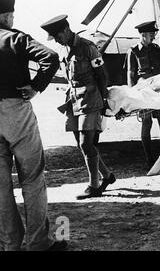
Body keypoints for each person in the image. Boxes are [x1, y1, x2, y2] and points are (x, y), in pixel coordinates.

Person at [0, 0, 67, 251]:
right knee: (32, 178)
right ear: (7, 16)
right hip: (16, 112)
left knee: (1, 185)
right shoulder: (15, 37)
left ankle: (9, 244)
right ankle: (38, 243)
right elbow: (50, 57)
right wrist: (36, 87)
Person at [41, 15, 115, 200]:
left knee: (86, 143)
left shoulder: (87, 47)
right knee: (81, 144)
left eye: (57, 36)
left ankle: (94, 186)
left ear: (66, 30)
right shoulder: (64, 49)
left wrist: (103, 100)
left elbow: (102, 75)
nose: (56, 40)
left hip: (90, 99)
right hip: (73, 100)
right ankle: (107, 176)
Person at [126, 21, 160, 168]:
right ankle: (149, 159)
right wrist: (132, 93)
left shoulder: (157, 49)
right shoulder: (133, 51)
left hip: (159, 90)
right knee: (147, 122)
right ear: (143, 35)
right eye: (151, 35)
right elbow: (131, 73)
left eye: (154, 34)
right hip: (144, 91)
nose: (153, 37)